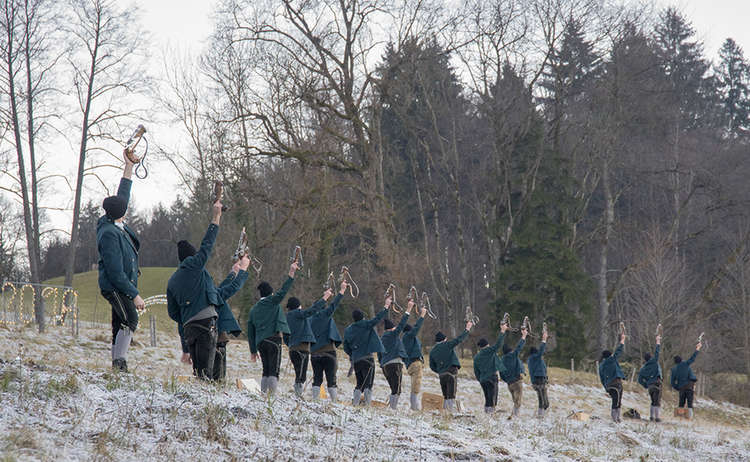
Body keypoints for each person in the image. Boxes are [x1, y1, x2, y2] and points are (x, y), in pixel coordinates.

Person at [166, 200, 227, 379]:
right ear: (192, 256)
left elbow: (172, 312)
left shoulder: (172, 280)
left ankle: (200, 398)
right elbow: (207, 245)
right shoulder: (195, 265)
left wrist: (187, 316)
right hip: (206, 322)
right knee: (208, 371)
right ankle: (209, 402)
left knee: (198, 371)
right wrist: (216, 217)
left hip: (188, 327)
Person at [97, 149, 144, 373]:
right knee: (130, 319)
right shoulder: (109, 233)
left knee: (120, 323)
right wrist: (134, 294)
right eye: (124, 210)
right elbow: (115, 272)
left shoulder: (115, 222)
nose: (126, 210)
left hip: (122, 284)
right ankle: (120, 363)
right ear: (119, 213)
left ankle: (117, 366)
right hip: (115, 285)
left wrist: (129, 167)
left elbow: (121, 198)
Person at [247, 261, 299, 395]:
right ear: (271, 293)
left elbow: (250, 332)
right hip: (273, 340)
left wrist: (253, 351)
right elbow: (283, 291)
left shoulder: (253, 310)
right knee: (274, 370)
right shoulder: (272, 301)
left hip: (260, 343)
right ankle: (272, 396)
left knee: (265, 370)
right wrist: (291, 273)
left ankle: (263, 394)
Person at [285, 288, 335, 397]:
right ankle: (298, 397)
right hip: (302, 349)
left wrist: (289, 344)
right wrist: (325, 298)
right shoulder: (298, 314)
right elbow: (312, 310)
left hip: (292, 349)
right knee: (301, 376)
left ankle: (298, 395)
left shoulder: (287, 316)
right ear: (298, 306)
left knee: (298, 373)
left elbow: (285, 335)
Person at [343, 298, 390, 406]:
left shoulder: (348, 330)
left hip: (356, 360)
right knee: (368, 384)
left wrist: (353, 354)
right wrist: (386, 306)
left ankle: (355, 404)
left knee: (359, 383)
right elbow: (377, 318)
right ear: (362, 317)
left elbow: (345, 347)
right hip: (368, 359)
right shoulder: (366, 324)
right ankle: (368, 406)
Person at [210, 258, 251, 381]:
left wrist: (233, 273)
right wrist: (243, 269)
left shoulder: (202, 292)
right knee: (218, 379)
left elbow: (220, 291)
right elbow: (231, 288)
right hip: (217, 340)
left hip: (210, 340)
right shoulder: (210, 294)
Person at [309, 281, 348, 402]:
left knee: (317, 379)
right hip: (329, 352)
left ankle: (315, 400)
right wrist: (341, 291)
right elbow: (334, 305)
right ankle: (334, 401)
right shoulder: (325, 315)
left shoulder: (308, 319)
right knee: (332, 380)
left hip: (314, 354)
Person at [429, 320, 474, 412]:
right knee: (451, 393)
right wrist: (467, 329)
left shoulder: (432, 351)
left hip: (442, 375)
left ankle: (445, 411)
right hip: (451, 372)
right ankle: (450, 412)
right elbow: (459, 340)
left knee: (445, 394)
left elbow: (431, 366)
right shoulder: (447, 345)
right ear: (444, 339)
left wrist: (440, 370)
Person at [378, 302, 412, 410]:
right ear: (392, 328)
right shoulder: (392, 334)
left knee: (393, 388)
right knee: (397, 390)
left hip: (385, 366)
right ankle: (393, 409)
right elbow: (402, 325)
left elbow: (379, 354)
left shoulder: (382, 338)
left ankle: (392, 408)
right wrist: (408, 309)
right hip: (395, 364)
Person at [473, 323, 508, 414]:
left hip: (483, 379)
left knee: (487, 398)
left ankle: (486, 414)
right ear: (487, 345)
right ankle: (490, 416)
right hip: (492, 378)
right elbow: (498, 344)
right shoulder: (489, 351)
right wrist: (502, 331)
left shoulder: (476, 357)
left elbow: (476, 371)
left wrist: (480, 379)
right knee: (493, 398)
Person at [402, 302, 427, 410]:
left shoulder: (407, 339)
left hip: (412, 364)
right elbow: (416, 328)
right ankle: (414, 408)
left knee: (415, 385)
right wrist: (422, 316)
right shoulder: (408, 336)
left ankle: (414, 406)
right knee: (416, 386)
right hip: (415, 363)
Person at [499, 327, 528, 419]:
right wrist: (524, 336)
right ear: (510, 351)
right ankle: (515, 416)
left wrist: (507, 380)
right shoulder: (512, 355)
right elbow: (519, 347)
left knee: (515, 400)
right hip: (517, 381)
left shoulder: (502, 360)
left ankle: (514, 415)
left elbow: (501, 374)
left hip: (509, 384)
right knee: (518, 401)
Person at [670, 340, 702, 419]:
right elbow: (693, 358)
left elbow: (672, 382)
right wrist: (698, 348)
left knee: (681, 403)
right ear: (681, 360)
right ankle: (689, 418)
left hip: (681, 388)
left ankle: (680, 418)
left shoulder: (673, 369)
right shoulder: (685, 364)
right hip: (689, 386)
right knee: (690, 403)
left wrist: (677, 387)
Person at [599, 332, 626, 423]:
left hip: (608, 385)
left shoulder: (601, 365)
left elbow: (602, 378)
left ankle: (616, 418)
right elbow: (618, 351)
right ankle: (615, 418)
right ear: (610, 356)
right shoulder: (611, 360)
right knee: (617, 401)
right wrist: (622, 340)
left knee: (616, 400)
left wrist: (606, 387)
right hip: (616, 383)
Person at [637, 333, 663, 422]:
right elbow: (657, 352)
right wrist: (658, 341)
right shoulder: (654, 362)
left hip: (650, 386)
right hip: (657, 383)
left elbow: (639, 380)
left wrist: (646, 385)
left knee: (652, 401)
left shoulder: (643, 368)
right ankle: (657, 417)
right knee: (657, 401)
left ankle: (651, 416)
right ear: (651, 358)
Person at [527, 328, 549, 418]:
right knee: (542, 399)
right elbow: (541, 351)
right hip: (538, 380)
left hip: (538, 380)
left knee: (544, 399)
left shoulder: (532, 360)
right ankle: (541, 415)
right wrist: (544, 340)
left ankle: (542, 412)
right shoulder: (535, 358)